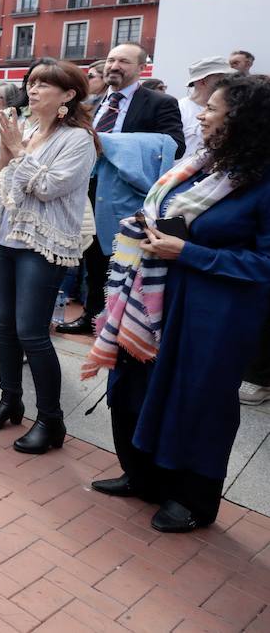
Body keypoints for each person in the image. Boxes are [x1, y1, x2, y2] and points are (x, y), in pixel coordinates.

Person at [84, 75, 270, 531]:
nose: (201, 115)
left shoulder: (262, 182)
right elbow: (164, 211)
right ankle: (142, 477)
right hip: (153, 297)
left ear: (243, 122)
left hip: (213, 313)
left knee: (196, 402)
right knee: (134, 387)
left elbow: (264, 264)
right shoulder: (204, 163)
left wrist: (187, 252)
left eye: (213, 110)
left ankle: (192, 501)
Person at [0, 59, 96, 454]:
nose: (33, 89)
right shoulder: (25, 129)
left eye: (44, 84)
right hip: (5, 239)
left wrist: (17, 151)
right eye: (32, 82)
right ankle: (10, 400)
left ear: (69, 95)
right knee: (4, 325)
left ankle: (50, 419)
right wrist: (8, 155)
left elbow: (48, 187)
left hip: (41, 247)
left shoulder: (77, 139)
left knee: (32, 332)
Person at [61, 42, 184, 335]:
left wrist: (112, 145)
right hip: (87, 189)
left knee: (119, 259)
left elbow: (174, 145)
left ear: (141, 68)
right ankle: (91, 316)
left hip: (125, 194)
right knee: (91, 256)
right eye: (112, 60)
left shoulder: (159, 103)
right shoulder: (91, 102)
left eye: (124, 62)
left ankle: (119, 323)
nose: (114, 66)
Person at [178, 57, 234, 160]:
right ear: (202, 81)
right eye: (224, 78)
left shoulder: (232, 109)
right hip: (184, 173)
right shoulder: (178, 109)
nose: (231, 82)